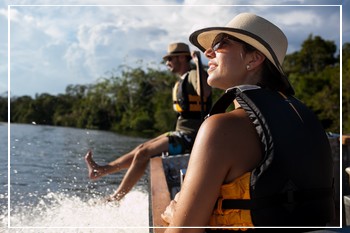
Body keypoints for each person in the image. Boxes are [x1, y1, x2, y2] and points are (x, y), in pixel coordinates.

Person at [162, 13, 335, 232]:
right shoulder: (303, 118)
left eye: (221, 43)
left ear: (253, 59)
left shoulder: (220, 128)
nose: (208, 52)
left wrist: (175, 215)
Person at [85, 42, 212, 202]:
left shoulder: (194, 74)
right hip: (180, 133)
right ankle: (102, 170)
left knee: (143, 154)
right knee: (141, 148)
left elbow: (205, 92)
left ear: (181, 58)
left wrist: (198, 63)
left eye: (170, 59)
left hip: (191, 137)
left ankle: (115, 198)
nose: (167, 63)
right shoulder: (182, 80)